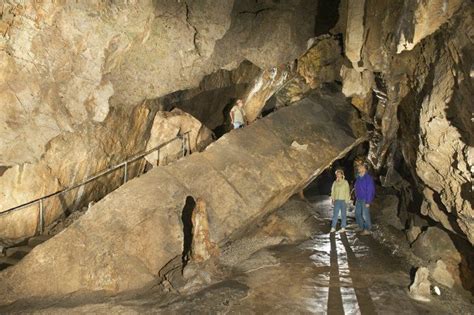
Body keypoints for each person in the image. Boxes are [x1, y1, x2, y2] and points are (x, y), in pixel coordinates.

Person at [354, 162, 375, 235]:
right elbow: (356, 188)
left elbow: (370, 190)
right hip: (359, 199)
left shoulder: (368, 178)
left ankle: (367, 229)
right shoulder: (358, 177)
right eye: (358, 167)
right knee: (357, 213)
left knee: (365, 215)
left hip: (365, 199)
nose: (358, 168)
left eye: (360, 167)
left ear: (364, 168)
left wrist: (368, 201)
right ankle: (361, 226)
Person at [330, 169, 351, 233]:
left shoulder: (345, 182)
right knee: (335, 215)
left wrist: (347, 200)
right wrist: (333, 199)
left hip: (343, 200)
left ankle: (343, 227)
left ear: (342, 174)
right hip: (337, 200)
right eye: (337, 174)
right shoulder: (335, 183)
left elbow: (347, 191)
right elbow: (332, 191)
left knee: (343, 215)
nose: (338, 175)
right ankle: (333, 227)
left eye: (339, 174)